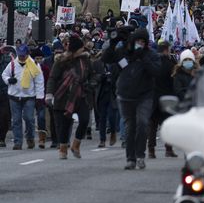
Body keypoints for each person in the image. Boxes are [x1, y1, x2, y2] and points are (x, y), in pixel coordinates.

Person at [101, 27, 160, 170]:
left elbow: (156, 71)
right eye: (137, 41)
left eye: (143, 41)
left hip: (144, 95)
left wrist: (143, 57)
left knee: (142, 123)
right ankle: (130, 158)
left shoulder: (151, 55)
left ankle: (140, 155)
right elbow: (107, 58)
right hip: (125, 95)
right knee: (130, 127)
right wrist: (114, 42)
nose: (140, 43)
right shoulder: (124, 53)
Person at [45, 35, 95, 160]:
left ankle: (76, 144)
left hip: (81, 94)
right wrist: (49, 94)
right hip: (64, 95)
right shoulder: (61, 61)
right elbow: (52, 78)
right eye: (80, 48)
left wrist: (91, 84)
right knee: (65, 124)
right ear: (75, 49)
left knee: (84, 120)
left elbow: (92, 75)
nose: (82, 50)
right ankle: (63, 148)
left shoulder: (85, 60)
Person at [2, 45, 44, 150]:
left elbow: (39, 81)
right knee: (16, 120)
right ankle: (18, 142)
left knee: (29, 118)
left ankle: (30, 138)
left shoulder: (34, 65)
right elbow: (4, 74)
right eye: (20, 56)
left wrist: (39, 97)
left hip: (29, 96)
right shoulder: (12, 64)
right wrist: (8, 80)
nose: (21, 58)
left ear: (27, 54)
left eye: (23, 56)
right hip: (14, 96)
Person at [148, 41, 177, 159]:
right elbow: (173, 80)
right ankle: (168, 149)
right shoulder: (170, 64)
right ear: (166, 50)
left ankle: (151, 150)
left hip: (153, 97)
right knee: (167, 125)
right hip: (166, 97)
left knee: (152, 125)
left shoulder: (152, 63)